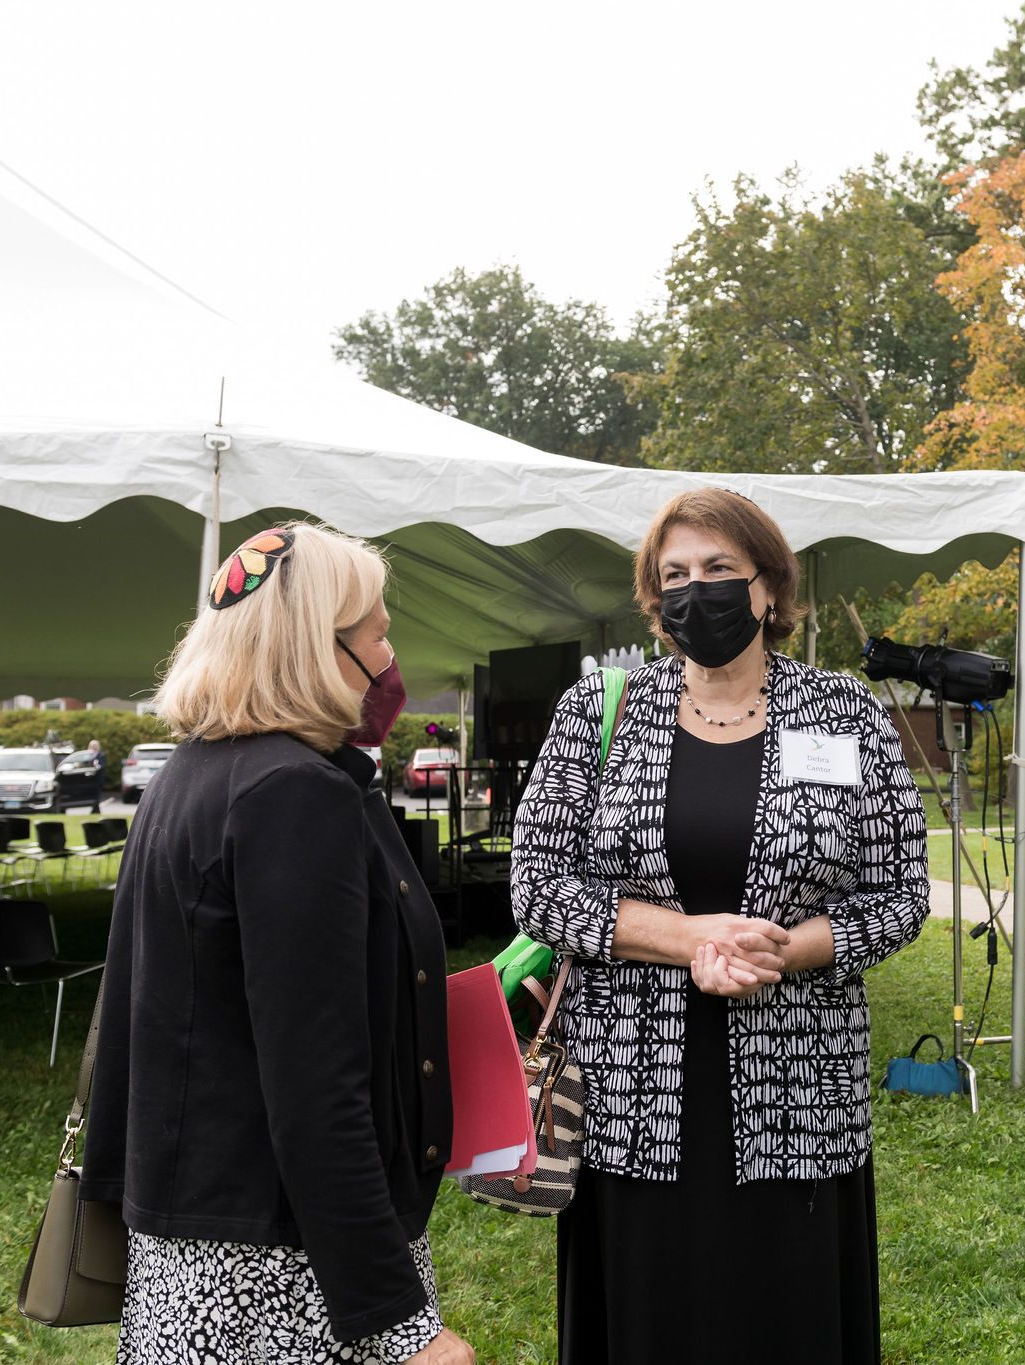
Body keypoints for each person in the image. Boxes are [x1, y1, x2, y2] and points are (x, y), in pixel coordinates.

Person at [510, 487, 930, 1365]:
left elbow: (898, 894)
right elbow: (539, 888)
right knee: (649, 1316)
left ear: (769, 589)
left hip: (800, 1096)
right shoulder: (597, 714)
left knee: (785, 1315)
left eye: (718, 570)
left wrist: (793, 949)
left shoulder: (847, 715)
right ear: (655, 602)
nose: (695, 591)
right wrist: (691, 936)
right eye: (674, 576)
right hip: (632, 1093)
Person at [82, 523, 474, 1365]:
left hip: (200, 1247)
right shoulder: (293, 794)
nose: (388, 648)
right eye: (374, 628)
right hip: (284, 1270)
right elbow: (314, 1084)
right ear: (314, 646)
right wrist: (401, 1324)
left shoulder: (193, 774)